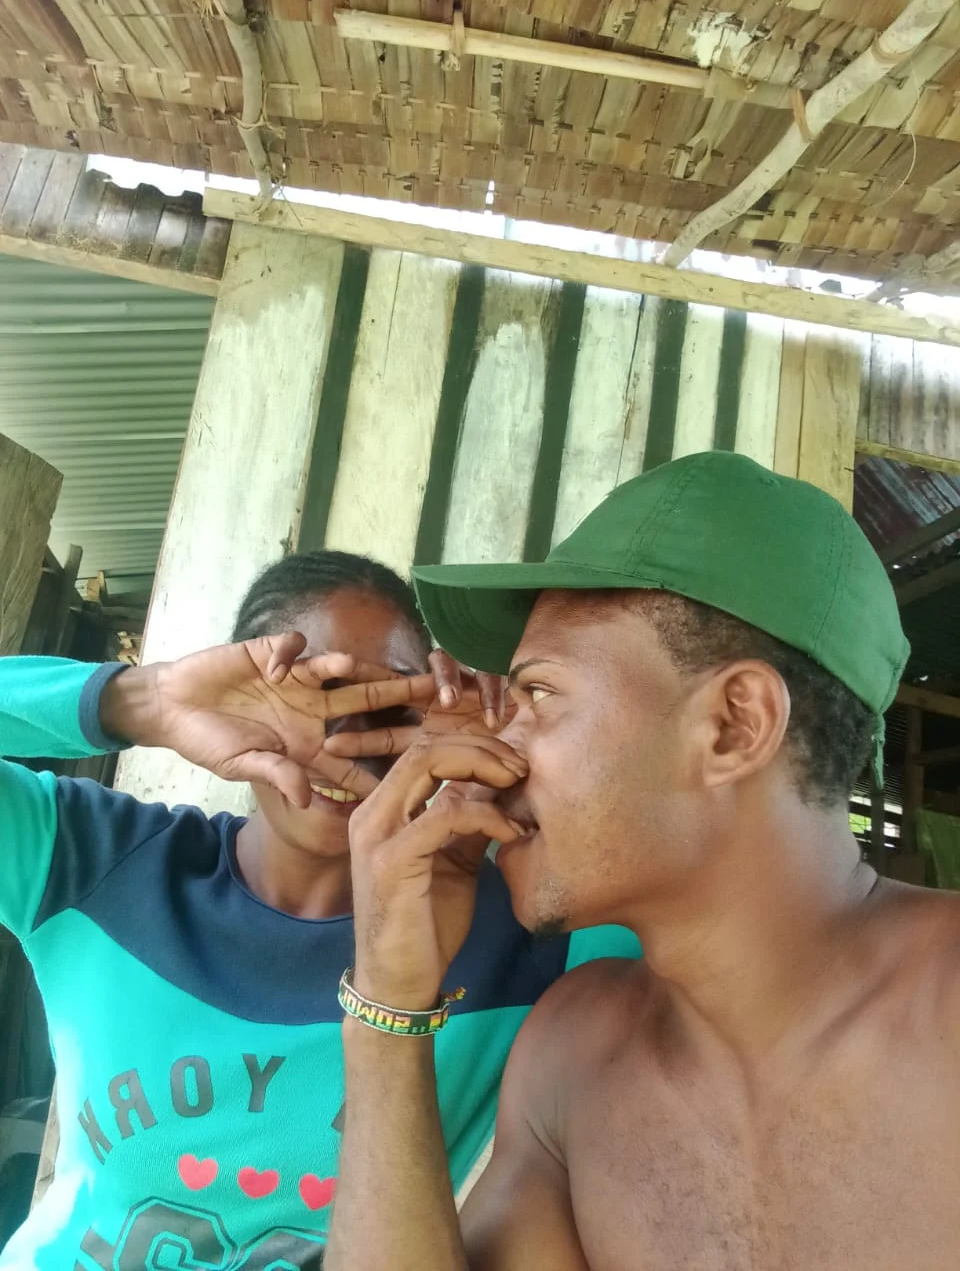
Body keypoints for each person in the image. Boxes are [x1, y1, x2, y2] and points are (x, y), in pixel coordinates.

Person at [325, 451, 960, 1271]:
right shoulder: (573, 1058)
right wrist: (386, 1009)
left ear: (733, 726)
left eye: (538, 694)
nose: (489, 756)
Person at [0, 550, 639, 1268]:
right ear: (234, 699)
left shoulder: (522, 924)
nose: (350, 745)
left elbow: (697, 879)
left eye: (391, 706)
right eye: (318, 696)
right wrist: (145, 700)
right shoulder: (91, 859)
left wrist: (530, 736)